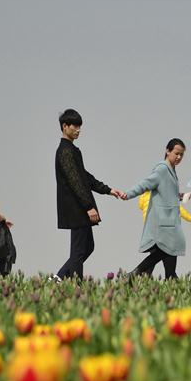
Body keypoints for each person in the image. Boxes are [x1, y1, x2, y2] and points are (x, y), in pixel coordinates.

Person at [53, 109, 125, 281]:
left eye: (80, 126)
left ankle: (58, 278)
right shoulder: (65, 151)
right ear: (65, 126)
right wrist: (89, 207)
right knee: (78, 251)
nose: (78, 130)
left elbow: (84, 177)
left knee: (87, 247)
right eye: (75, 126)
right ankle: (76, 287)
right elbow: (75, 182)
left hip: (79, 207)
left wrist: (108, 190)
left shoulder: (72, 150)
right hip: (75, 208)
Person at [122, 139, 188, 279]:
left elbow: (164, 191)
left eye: (181, 155)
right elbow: (145, 184)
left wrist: (177, 196)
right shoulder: (162, 169)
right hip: (163, 221)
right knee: (166, 250)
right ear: (167, 151)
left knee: (169, 252)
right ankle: (135, 273)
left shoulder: (171, 170)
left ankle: (140, 276)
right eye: (176, 153)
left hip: (169, 221)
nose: (179, 157)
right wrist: (127, 194)